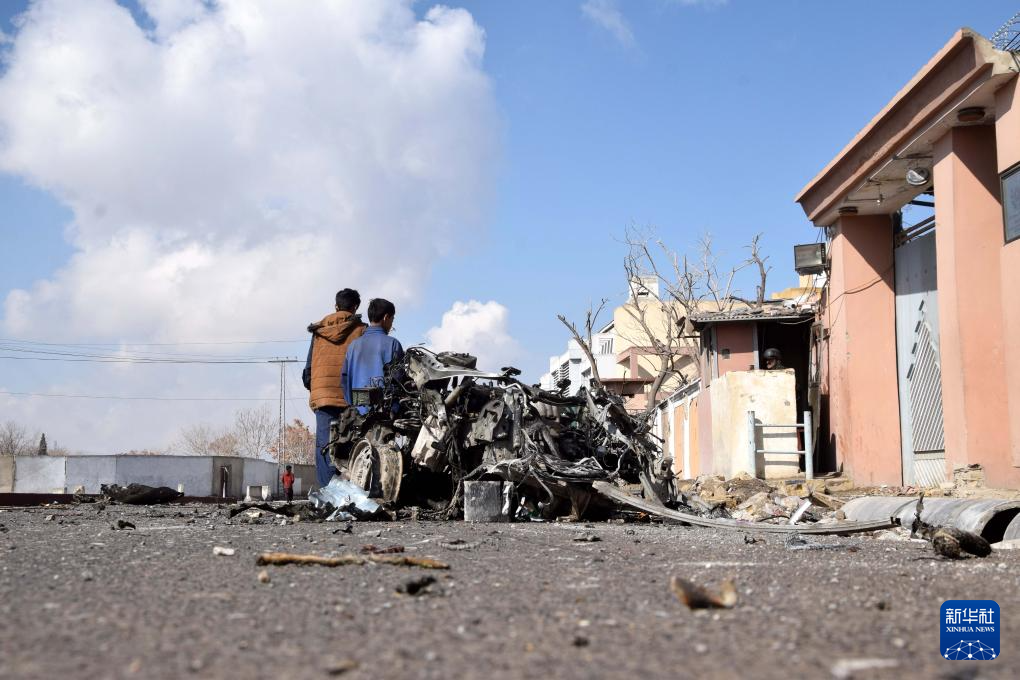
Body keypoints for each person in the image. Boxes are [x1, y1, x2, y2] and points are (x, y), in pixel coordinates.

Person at [304, 288, 367, 488]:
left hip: (323, 397)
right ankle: (351, 489)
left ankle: (328, 490)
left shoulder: (319, 332)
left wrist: (316, 389)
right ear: (355, 307)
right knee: (353, 443)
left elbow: (308, 372)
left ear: (336, 306)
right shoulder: (361, 330)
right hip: (351, 398)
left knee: (324, 445)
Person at [342, 298, 404, 414]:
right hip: (385, 413)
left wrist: (354, 406)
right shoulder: (393, 344)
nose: (391, 324)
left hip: (358, 413)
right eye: (392, 319)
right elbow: (398, 380)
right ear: (386, 317)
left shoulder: (353, 346)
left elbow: (345, 380)